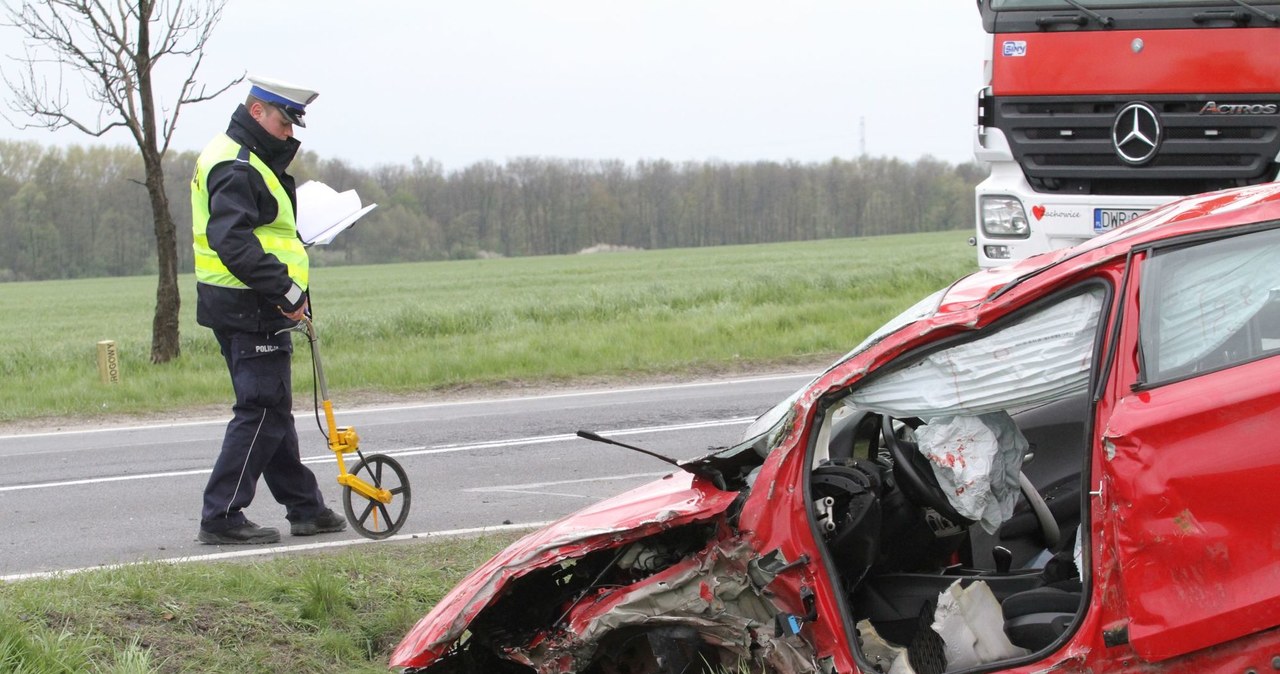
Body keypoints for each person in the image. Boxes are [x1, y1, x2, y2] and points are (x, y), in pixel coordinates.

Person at [190, 75, 346, 545]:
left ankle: (305, 507)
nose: (290, 133)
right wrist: (285, 291)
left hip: (240, 300)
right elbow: (231, 240)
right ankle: (221, 516)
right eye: (284, 121)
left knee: (272, 407)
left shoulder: (243, 156)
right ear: (257, 112)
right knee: (261, 409)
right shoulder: (237, 167)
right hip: (250, 303)